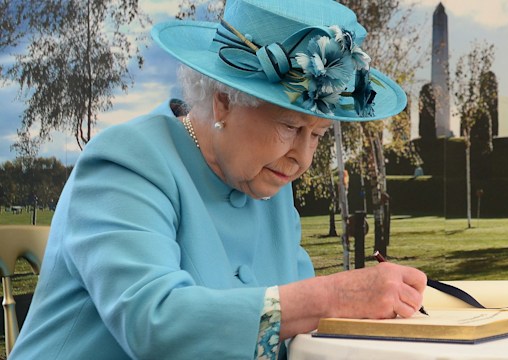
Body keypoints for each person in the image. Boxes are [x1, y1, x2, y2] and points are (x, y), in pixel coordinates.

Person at [10, 0, 427, 359]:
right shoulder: (125, 162)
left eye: (316, 135)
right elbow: (153, 324)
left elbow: (294, 332)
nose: (302, 159)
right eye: (289, 127)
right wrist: (335, 296)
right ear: (223, 102)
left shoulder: (270, 184)